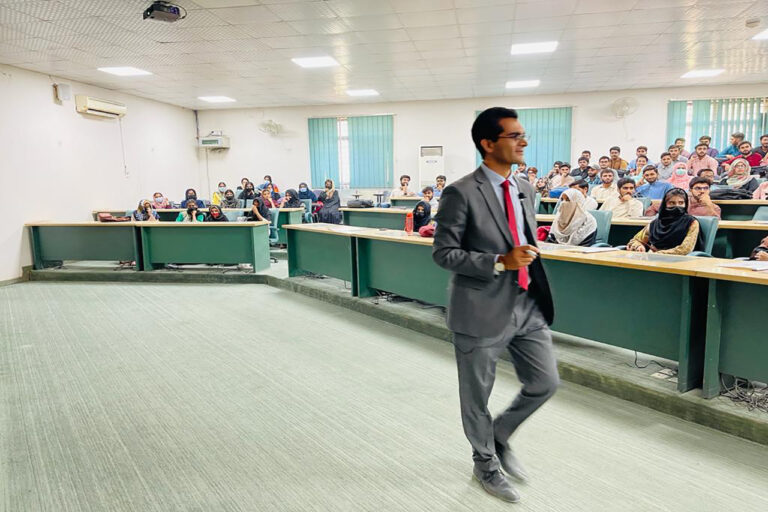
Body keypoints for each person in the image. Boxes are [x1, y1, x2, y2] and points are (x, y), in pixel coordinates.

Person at [433, 107, 557, 504]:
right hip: (480, 307)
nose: (523, 142)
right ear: (488, 144)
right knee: (477, 398)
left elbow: (523, 237)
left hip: (526, 303)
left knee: (545, 382)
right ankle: (484, 463)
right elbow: (443, 253)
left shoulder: (525, 187)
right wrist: (500, 261)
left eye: (523, 135)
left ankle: (500, 435)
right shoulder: (461, 192)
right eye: (514, 136)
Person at [627, 188, 703, 255]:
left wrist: (658, 254)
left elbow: (684, 250)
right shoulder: (656, 223)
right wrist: (639, 246)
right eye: (672, 203)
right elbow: (636, 240)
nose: (677, 206)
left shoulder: (691, 222)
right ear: (665, 204)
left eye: (681, 203)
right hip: (652, 260)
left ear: (685, 204)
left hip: (679, 261)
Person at [644, 177, 722, 218]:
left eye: (706, 188)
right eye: (698, 188)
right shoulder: (680, 202)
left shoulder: (715, 207)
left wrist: (709, 205)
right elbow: (653, 208)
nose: (702, 191)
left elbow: (716, 224)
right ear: (690, 190)